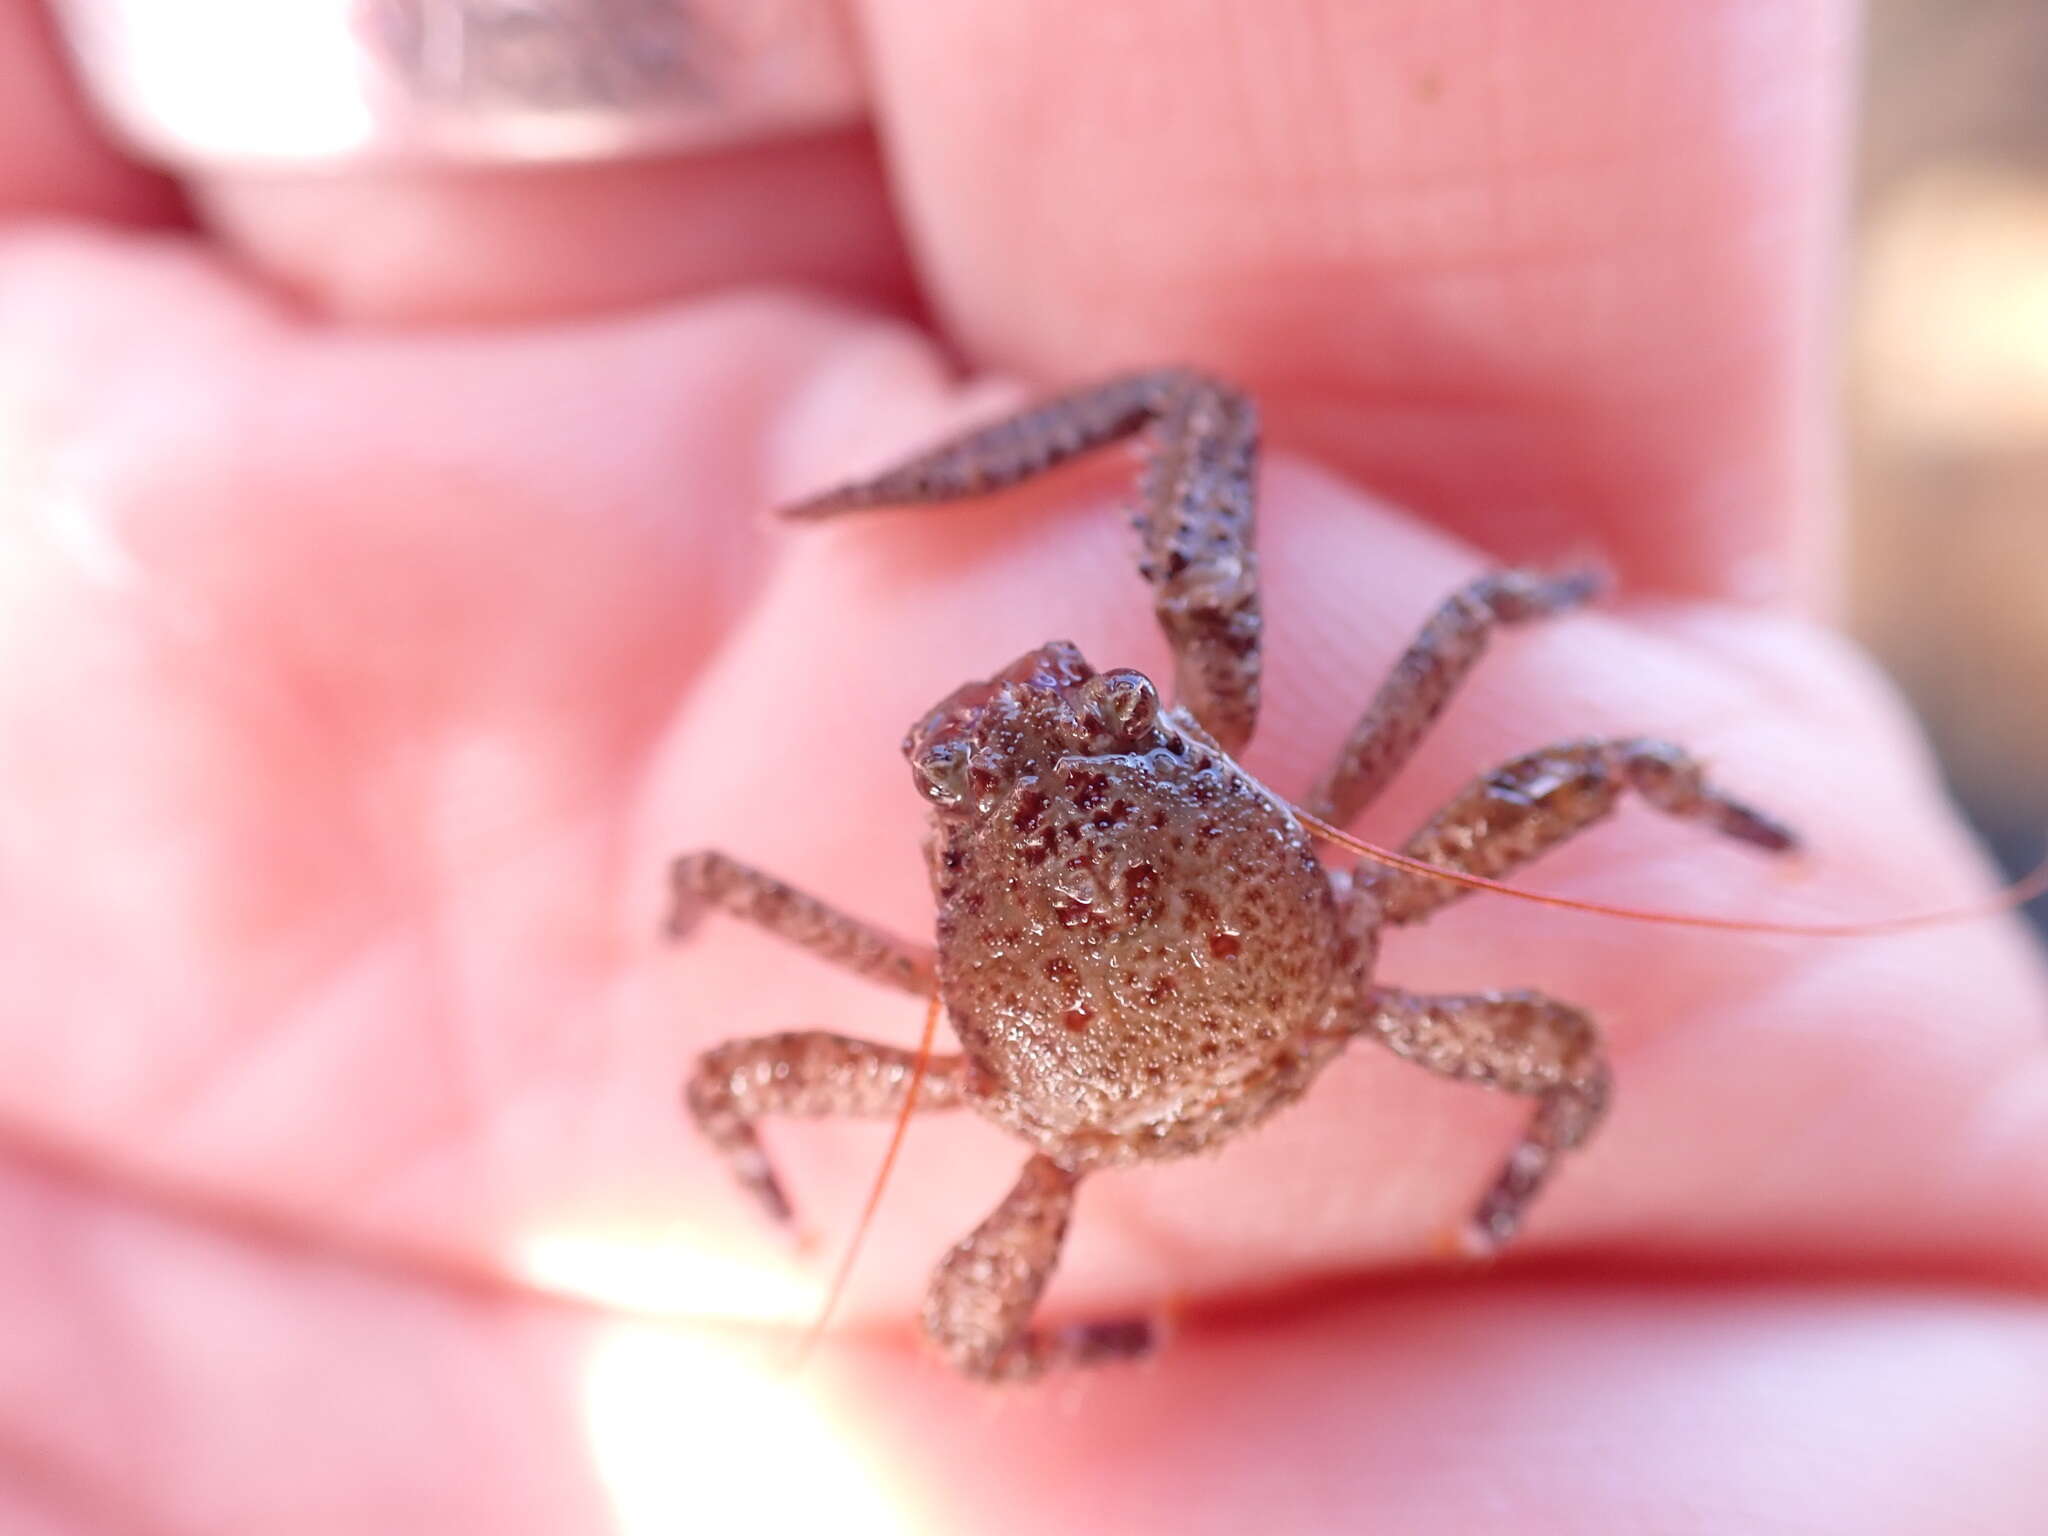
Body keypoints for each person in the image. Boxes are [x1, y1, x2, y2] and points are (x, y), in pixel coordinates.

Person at [4, 2, 2044, 1530]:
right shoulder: (1306, 804)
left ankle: (1159, 1315)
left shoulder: (947, 1051)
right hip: (1367, 982)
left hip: (1062, 1123)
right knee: (1550, 770)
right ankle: (1513, 1185)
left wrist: (781, 1170)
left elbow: (736, 1075)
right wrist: (1564, 605)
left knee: (873, 1193)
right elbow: (1483, 644)